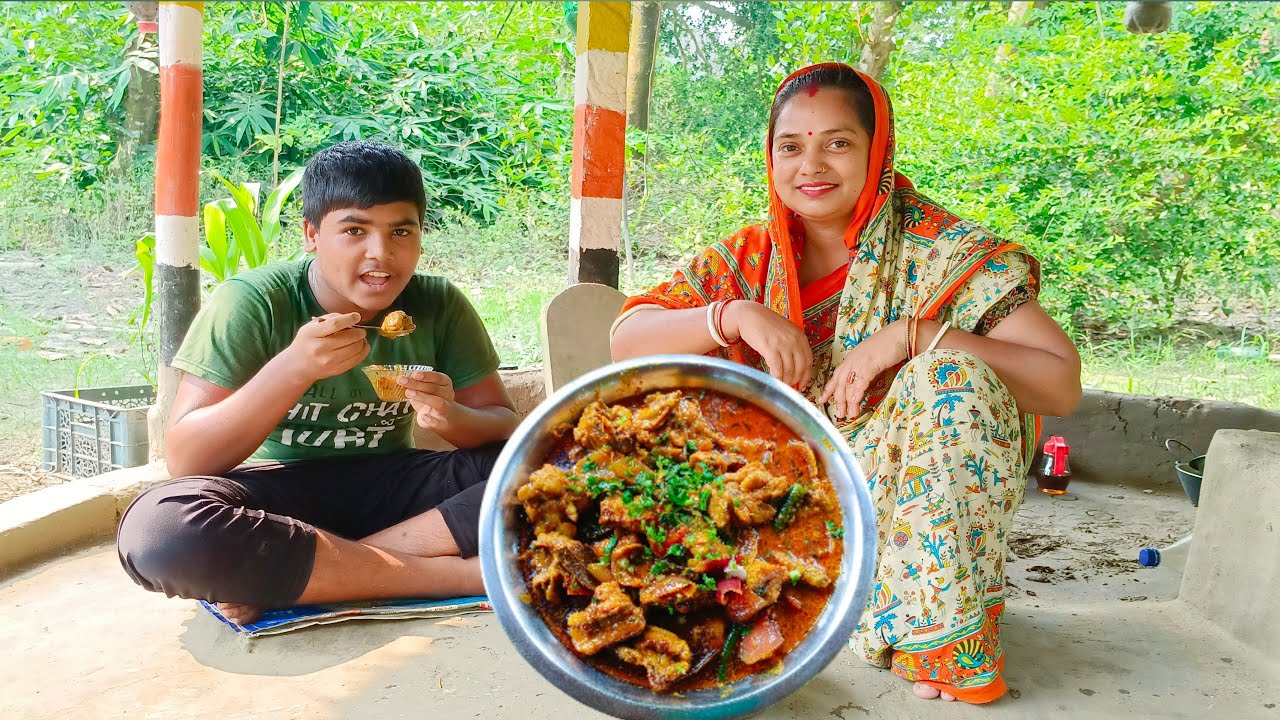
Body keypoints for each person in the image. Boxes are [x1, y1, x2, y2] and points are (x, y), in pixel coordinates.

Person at [610, 64, 1081, 703]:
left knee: (952, 375)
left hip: (895, 495)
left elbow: (1060, 385)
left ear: (876, 149)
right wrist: (732, 315)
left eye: (837, 142)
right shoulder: (750, 258)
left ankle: (940, 632)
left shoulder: (941, 253)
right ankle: (795, 592)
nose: (812, 165)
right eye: (790, 146)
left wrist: (915, 335)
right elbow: (626, 340)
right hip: (770, 500)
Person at [117, 141, 519, 625]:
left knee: (560, 461)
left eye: (401, 231)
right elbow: (187, 460)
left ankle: (320, 573)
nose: (381, 254)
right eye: (354, 230)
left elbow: (504, 426)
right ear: (311, 234)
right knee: (159, 530)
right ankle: (466, 576)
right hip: (274, 498)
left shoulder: (437, 303)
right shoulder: (254, 302)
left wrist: (451, 417)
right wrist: (293, 368)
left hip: (396, 491)